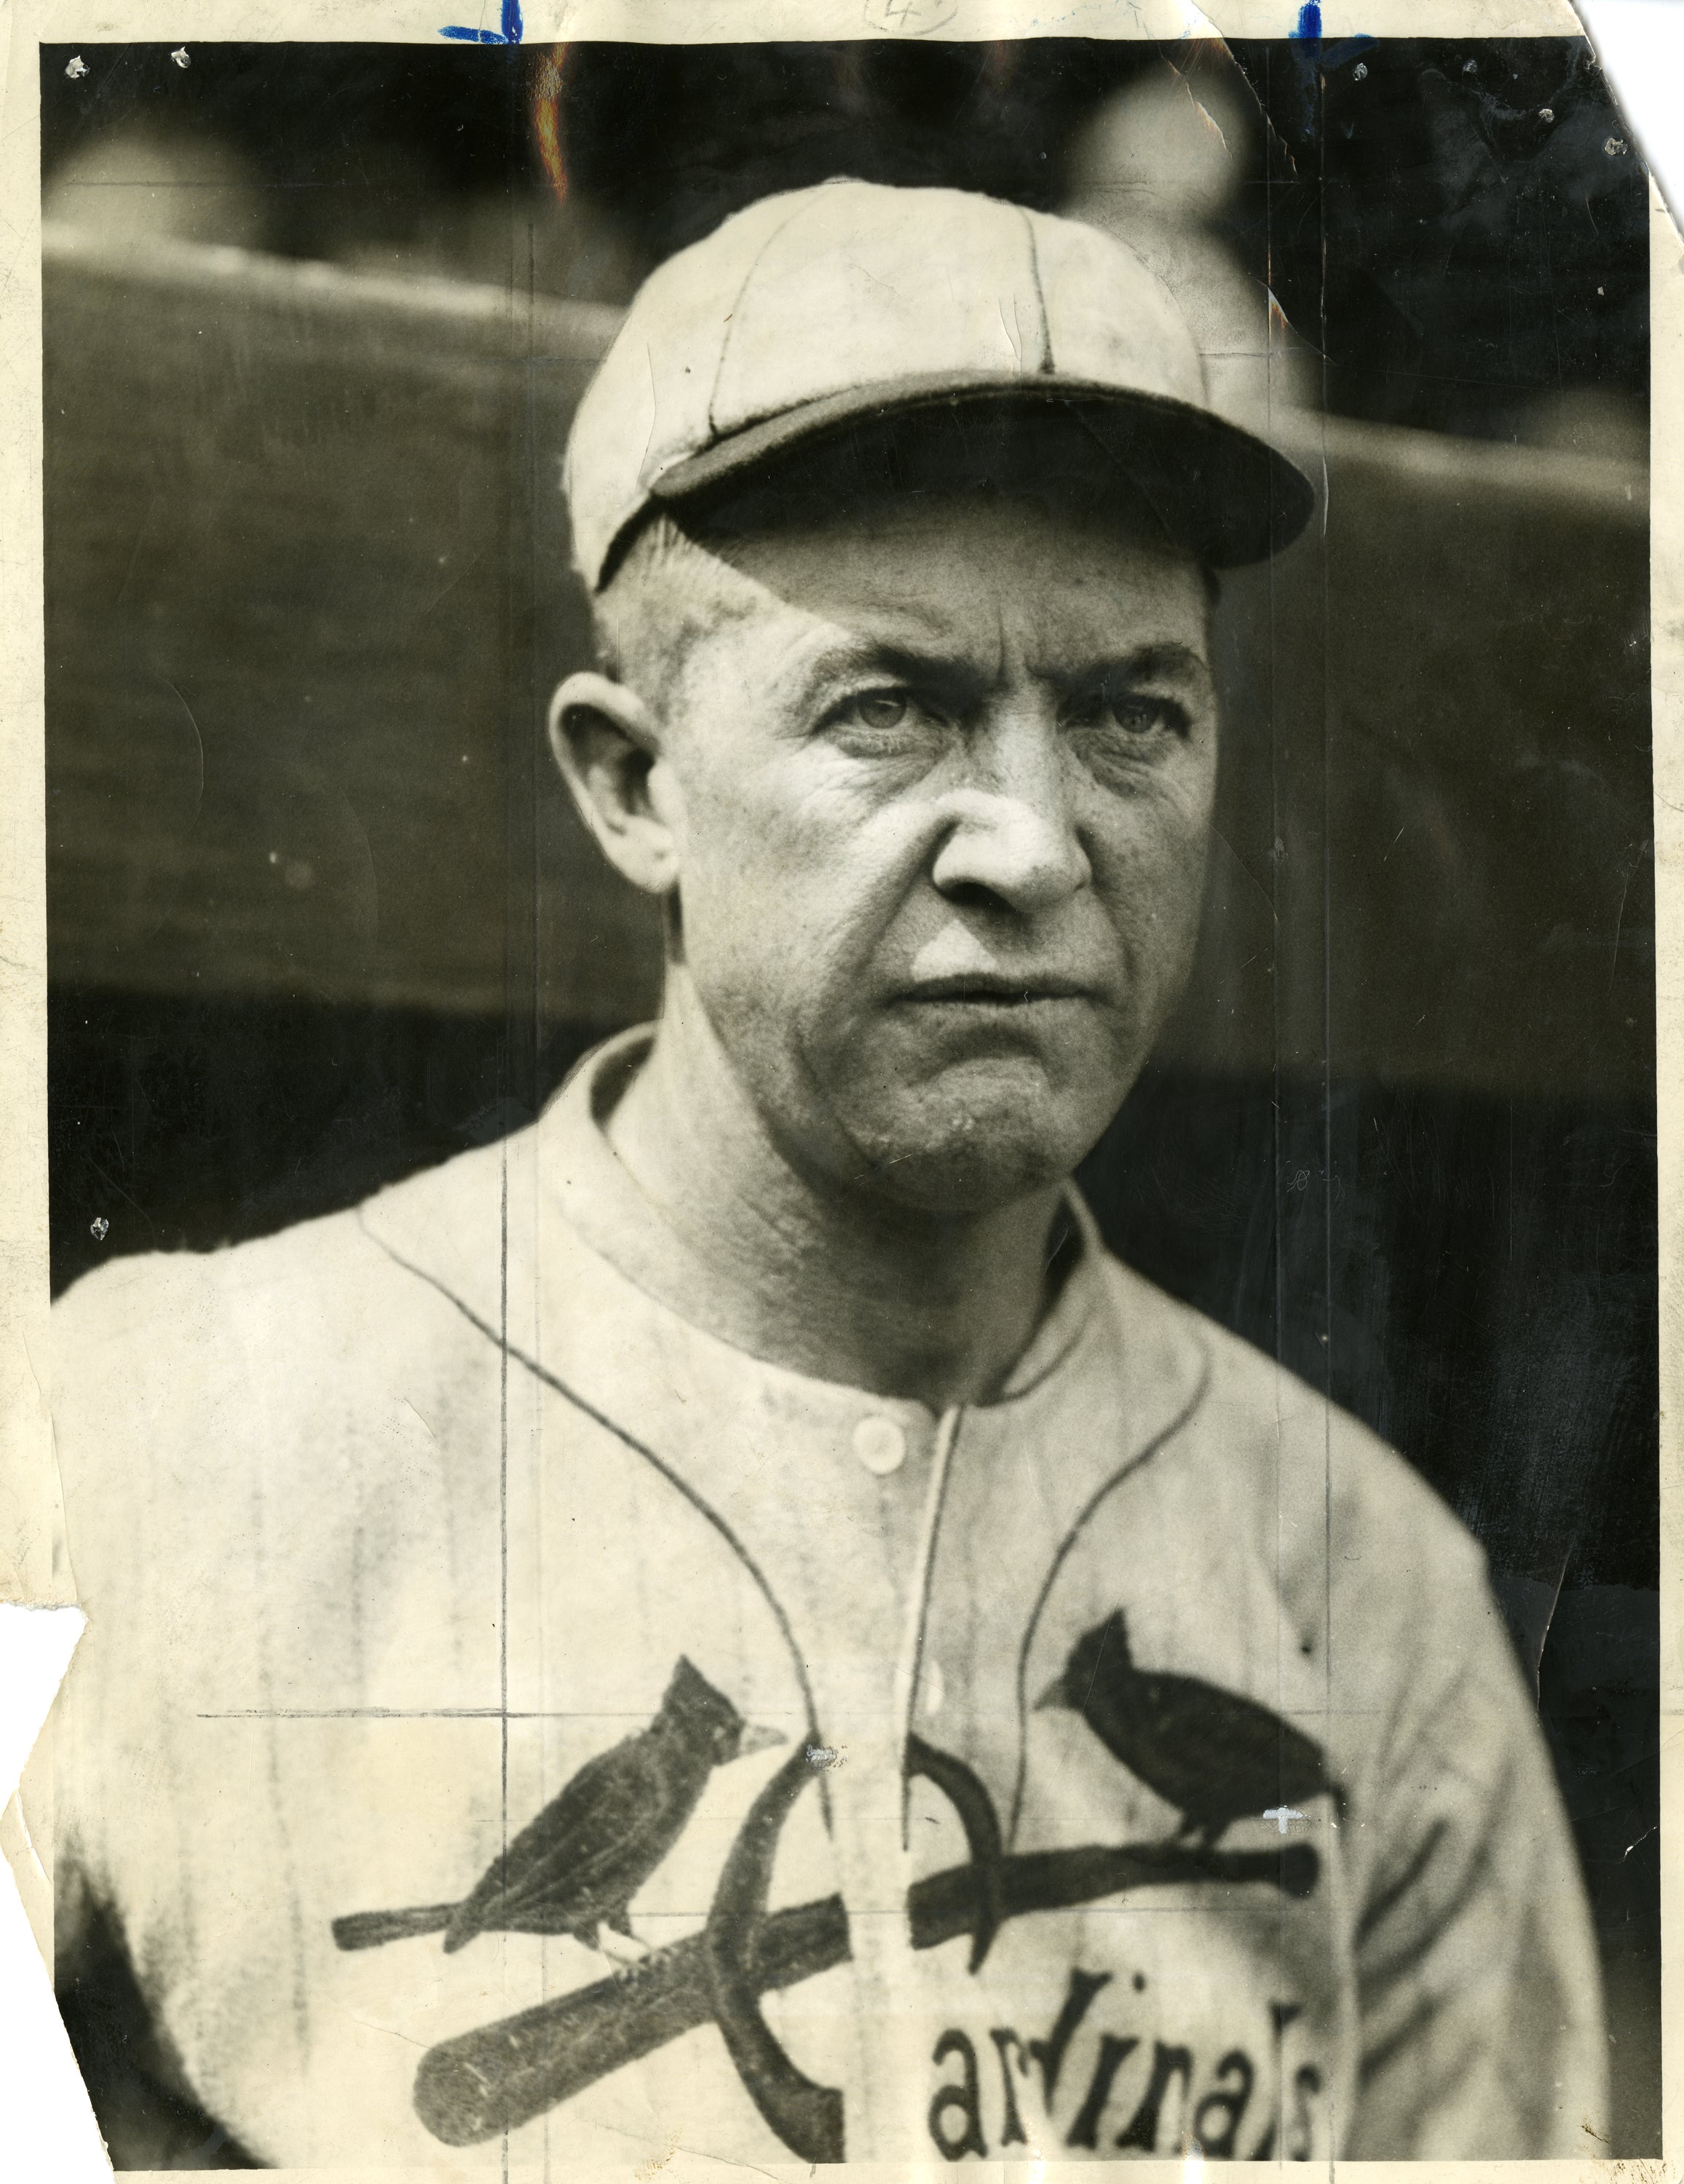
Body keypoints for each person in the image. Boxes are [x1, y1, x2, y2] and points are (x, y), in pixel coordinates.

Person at [49, 178, 1604, 2169]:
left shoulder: (1369, 1589)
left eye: (1131, 713)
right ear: (633, 787)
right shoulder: (149, 1436)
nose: (1030, 844)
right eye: (890, 709)